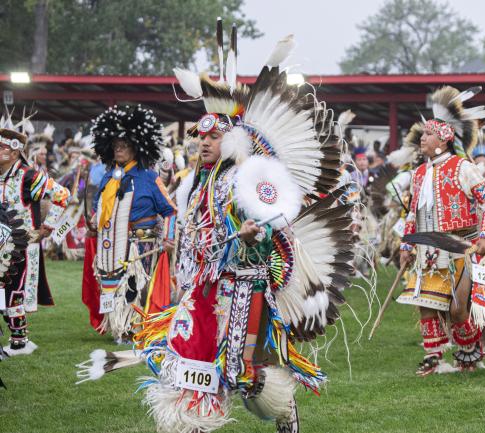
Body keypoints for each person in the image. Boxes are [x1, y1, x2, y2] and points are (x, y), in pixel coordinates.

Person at [78, 26, 358, 433]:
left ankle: (284, 413)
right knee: (187, 360)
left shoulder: (249, 178)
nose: (204, 142)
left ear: (231, 140)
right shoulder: (197, 184)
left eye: (213, 135)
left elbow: (278, 228)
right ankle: (191, 423)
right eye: (200, 136)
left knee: (247, 373)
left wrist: (254, 234)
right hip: (202, 291)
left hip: (246, 288)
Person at [397, 85, 485, 375]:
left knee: (457, 310)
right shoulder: (419, 173)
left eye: (428, 134)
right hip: (427, 250)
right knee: (426, 304)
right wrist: (406, 246)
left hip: (460, 248)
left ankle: (469, 351)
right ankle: (434, 357)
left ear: (443, 139)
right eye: (422, 135)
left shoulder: (462, 167)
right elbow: (413, 211)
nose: (422, 138)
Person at [90, 105, 177, 342]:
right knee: (110, 284)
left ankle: (134, 328)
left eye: (124, 146)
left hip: (140, 244)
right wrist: (93, 219)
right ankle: (118, 326)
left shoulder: (149, 177)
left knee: (132, 287)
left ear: (136, 148)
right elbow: (97, 207)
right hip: (109, 243)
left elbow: (170, 211)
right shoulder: (108, 177)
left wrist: (169, 239)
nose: (118, 149)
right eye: (116, 146)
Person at [0, 116, 69, 355]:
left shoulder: (28, 176)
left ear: (16, 151)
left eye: (2, 147)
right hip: (1, 245)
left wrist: (47, 227)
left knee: (13, 291)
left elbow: (62, 195)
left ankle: (19, 341)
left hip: (22, 245)